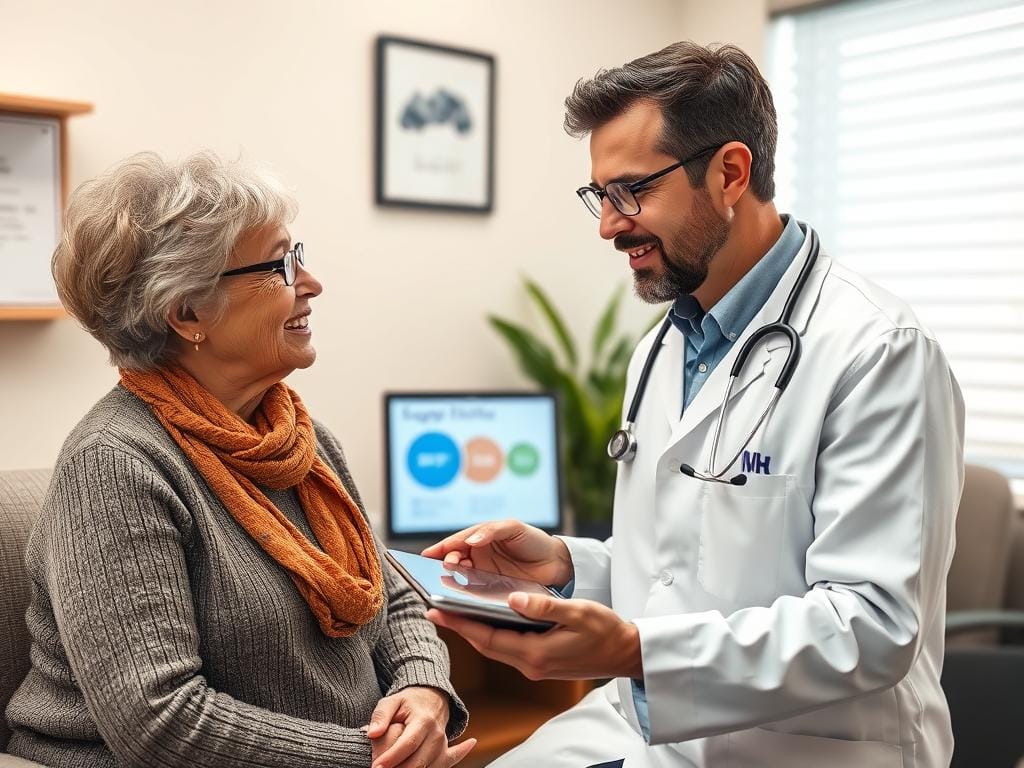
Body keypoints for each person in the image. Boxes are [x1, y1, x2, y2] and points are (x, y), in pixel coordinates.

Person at [423, 41, 964, 768]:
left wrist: (636, 649)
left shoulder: (877, 351)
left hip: (819, 749)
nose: (609, 226)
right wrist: (564, 569)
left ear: (730, 172)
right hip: (657, 731)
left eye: (631, 191)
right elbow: (681, 566)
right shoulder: (665, 350)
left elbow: (871, 626)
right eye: (601, 196)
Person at [5, 152, 475, 768]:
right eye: (281, 264)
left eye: (298, 254)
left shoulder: (298, 437)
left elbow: (393, 598)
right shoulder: (113, 465)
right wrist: (371, 760)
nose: (310, 283)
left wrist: (423, 689)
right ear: (188, 313)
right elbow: (160, 722)